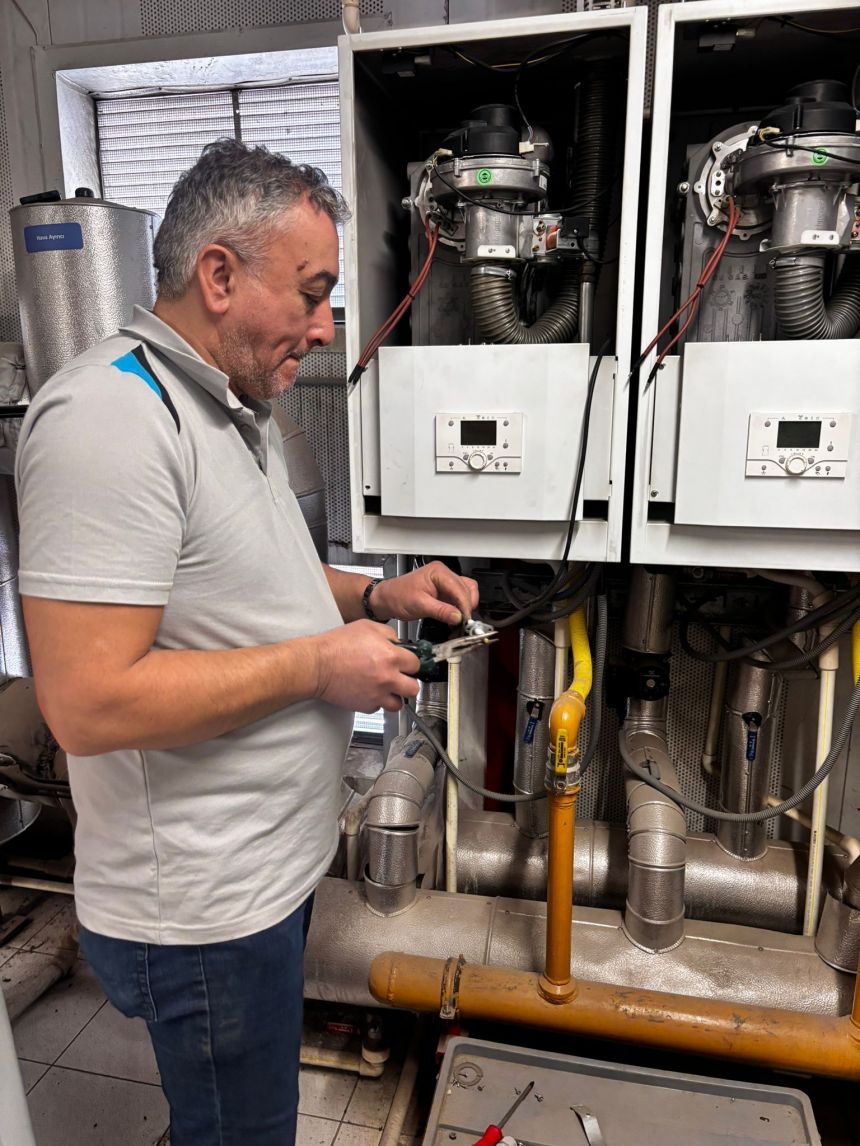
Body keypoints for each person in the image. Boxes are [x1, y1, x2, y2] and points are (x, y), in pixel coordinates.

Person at [15, 139, 478, 1145]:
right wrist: (319, 665)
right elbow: (87, 703)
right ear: (218, 275)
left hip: (257, 883)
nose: (324, 327)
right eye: (311, 293)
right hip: (200, 915)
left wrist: (377, 593)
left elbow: (252, 582)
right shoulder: (110, 419)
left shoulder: (229, 407)